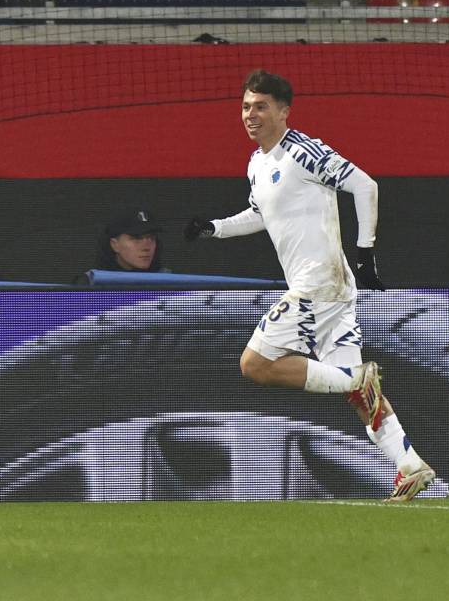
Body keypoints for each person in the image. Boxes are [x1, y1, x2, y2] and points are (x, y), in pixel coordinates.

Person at [184, 69, 435, 502]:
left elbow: (364, 184)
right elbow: (260, 213)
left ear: (284, 111)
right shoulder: (258, 164)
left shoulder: (303, 151)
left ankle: (357, 378)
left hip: (319, 283)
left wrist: (366, 252)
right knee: (356, 395)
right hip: (330, 291)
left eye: (261, 106)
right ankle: (410, 466)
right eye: (246, 106)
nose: (250, 115)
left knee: (255, 365)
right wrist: (215, 228)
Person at [96, 208, 169, 273]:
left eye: (152, 238)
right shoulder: (94, 285)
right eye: (137, 238)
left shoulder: (169, 283)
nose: (146, 248)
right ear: (115, 245)